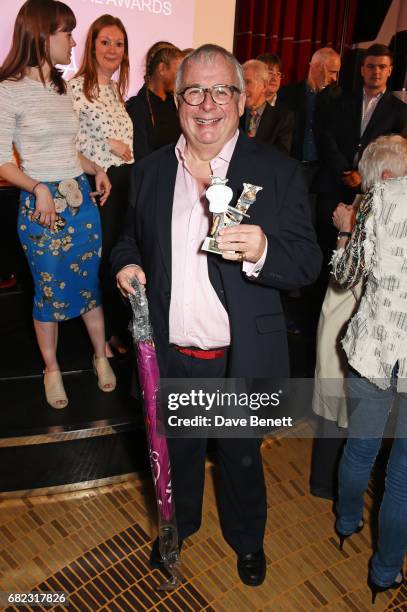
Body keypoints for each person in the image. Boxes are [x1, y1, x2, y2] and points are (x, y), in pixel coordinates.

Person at [111, 44, 321, 586]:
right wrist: (128, 264)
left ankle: (248, 541)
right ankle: (177, 529)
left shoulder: (275, 171)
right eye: (194, 91)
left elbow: (306, 262)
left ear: (241, 96)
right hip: (172, 357)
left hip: (238, 358)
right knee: (177, 456)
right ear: (177, 99)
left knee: (241, 461)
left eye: (221, 89)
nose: (207, 104)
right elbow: (130, 240)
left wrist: (263, 250)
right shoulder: (152, 170)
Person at [0, 0, 116, 409]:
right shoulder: (8, 90)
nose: (73, 40)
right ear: (41, 35)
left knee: (89, 285)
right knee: (49, 292)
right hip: (42, 208)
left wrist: (95, 167)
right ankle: (51, 369)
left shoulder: (61, 87)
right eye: (66, 32)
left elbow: (68, 149)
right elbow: (0, 161)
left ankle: (101, 357)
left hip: (80, 200)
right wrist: (37, 188)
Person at [330, 135, 407, 603]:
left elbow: (343, 276)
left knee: (360, 451)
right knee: (402, 478)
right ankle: (384, 573)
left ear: (378, 174)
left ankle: (345, 521)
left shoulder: (377, 201)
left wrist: (345, 228)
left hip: (374, 350)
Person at [310, 134, 407, 499]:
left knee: (347, 422)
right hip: (350, 329)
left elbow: (351, 281)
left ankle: (339, 498)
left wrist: (344, 233)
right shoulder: (369, 205)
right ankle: (331, 491)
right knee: (341, 418)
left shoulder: (375, 208)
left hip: (359, 332)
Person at [317, 44, 407, 290]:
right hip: (335, 184)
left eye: (381, 67)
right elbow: (326, 137)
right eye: (371, 66)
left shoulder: (400, 111)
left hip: (372, 192)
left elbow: (396, 155)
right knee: (325, 250)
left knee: (359, 252)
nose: (375, 72)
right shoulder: (341, 100)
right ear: (361, 70)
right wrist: (345, 170)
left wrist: (362, 175)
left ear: (390, 71)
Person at [69, 14, 133, 356]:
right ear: (92, 44)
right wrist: (106, 147)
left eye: (119, 44)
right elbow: (66, 141)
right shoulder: (77, 87)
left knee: (118, 258)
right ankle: (103, 338)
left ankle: (111, 333)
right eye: (105, 41)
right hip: (100, 184)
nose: (112, 49)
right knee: (103, 260)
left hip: (124, 184)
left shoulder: (114, 91)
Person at [126, 42, 183, 162]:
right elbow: (141, 159)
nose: (181, 78)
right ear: (162, 69)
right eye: (178, 71)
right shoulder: (137, 107)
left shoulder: (176, 105)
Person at [241, 60, 294, 155]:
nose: (243, 88)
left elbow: (281, 156)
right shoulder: (235, 113)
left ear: (264, 86)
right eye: (241, 83)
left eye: (247, 82)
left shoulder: (283, 118)